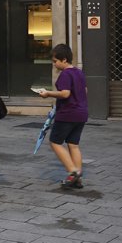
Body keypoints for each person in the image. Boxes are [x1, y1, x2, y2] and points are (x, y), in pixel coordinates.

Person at [36, 43, 88, 189]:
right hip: (81, 113)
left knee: (55, 142)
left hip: (68, 113)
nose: (54, 64)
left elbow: (65, 93)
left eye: (55, 61)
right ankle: (78, 178)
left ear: (64, 60)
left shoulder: (65, 74)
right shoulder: (79, 72)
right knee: (73, 144)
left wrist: (48, 93)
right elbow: (85, 91)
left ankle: (72, 172)